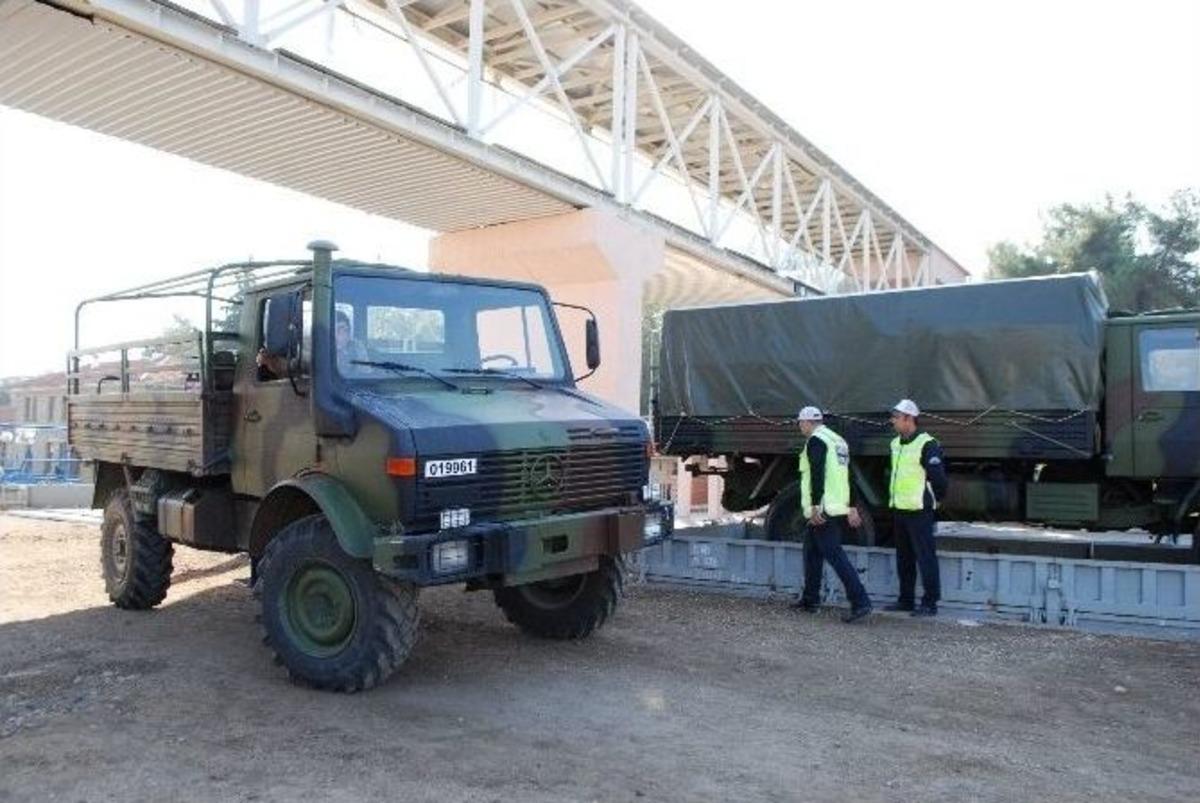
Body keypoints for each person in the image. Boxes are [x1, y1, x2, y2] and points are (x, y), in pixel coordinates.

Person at [791, 406, 873, 623]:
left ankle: (861, 602)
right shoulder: (838, 441)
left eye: (800, 423)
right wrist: (852, 506)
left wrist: (815, 506)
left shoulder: (816, 441)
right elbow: (849, 475)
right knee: (811, 552)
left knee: (835, 555)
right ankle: (810, 599)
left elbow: (817, 474)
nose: (799, 427)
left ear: (807, 422)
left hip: (823, 509)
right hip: (836, 506)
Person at [885, 399, 948, 617]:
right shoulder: (895, 443)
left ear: (909, 419)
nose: (892, 421)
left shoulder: (927, 444)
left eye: (896, 417)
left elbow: (939, 478)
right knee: (904, 558)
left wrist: (937, 499)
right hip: (900, 509)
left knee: (925, 557)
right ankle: (906, 600)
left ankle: (930, 602)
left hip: (919, 510)